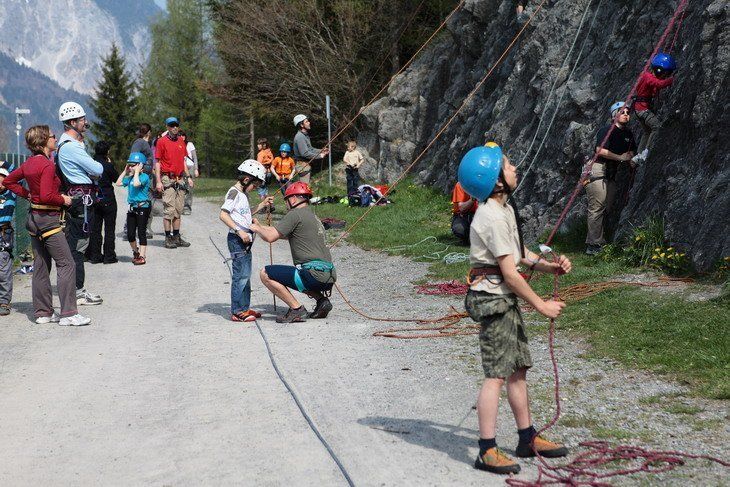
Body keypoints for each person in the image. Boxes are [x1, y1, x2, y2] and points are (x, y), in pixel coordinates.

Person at [458, 142, 571, 475]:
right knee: (496, 375)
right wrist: (541, 305)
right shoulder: (491, 216)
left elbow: (519, 254)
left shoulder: (504, 209)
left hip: (503, 298)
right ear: (495, 181)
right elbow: (509, 273)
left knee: (517, 369)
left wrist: (551, 267)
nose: (514, 168)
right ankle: (486, 450)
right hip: (493, 300)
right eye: (507, 166)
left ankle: (526, 438)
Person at [4, 125, 90, 326]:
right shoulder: (47, 165)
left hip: (33, 219)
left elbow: (8, 181)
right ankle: (69, 314)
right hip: (48, 220)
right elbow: (46, 195)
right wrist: (64, 199)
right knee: (67, 264)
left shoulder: (29, 163)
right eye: (52, 136)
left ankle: (43, 313)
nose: (55, 139)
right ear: (44, 140)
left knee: (41, 266)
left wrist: (28, 195)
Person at [250, 182, 336, 323]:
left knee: (265, 274)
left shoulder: (294, 214)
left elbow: (270, 237)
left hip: (313, 275)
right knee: (300, 275)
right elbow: (280, 232)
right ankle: (322, 301)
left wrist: (256, 228)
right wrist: (261, 227)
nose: (286, 204)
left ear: (294, 199)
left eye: (286, 200)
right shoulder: (312, 216)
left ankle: (297, 309)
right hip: (329, 276)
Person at [56, 101, 104, 306]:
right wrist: (92, 170)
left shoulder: (68, 145)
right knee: (78, 245)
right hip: (81, 200)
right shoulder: (71, 147)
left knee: (79, 244)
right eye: (82, 119)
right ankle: (77, 291)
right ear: (72, 122)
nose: (85, 122)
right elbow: (98, 169)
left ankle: (77, 289)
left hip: (80, 198)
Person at [219, 160, 274, 322]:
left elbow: (244, 213)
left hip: (245, 241)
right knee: (240, 276)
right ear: (246, 179)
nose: (255, 188)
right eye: (254, 185)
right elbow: (223, 214)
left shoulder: (243, 194)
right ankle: (237, 311)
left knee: (246, 275)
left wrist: (262, 205)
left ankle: (244, 307)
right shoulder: (234, 193)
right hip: (237, 239)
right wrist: (239, 230)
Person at [584, 101, 637, 255]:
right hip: (597, 169)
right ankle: (594, 245)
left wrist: (632, 157)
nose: (626, 114)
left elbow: (632, 150)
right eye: (622, 112)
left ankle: (596, 239)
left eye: (627, 112)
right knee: (597, 207)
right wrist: (620, 157)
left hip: (611, 173)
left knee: (607, 206)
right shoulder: (607, 130)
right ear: (614, 115)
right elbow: (599, 150)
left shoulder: (628, 134)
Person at [155, 117, 194, 249]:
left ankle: (176, 237)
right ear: (167, 127)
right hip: (167, 178)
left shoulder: (181, 141)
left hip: (180, 178)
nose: (174, 128)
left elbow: (183, 161)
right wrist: (158, 181)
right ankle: (168, 238)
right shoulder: (161, 142)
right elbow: (157, 162)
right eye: (172, 126)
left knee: (178, 209)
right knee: (169, 210)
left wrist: (188, 177)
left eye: (176, 125)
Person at [633, 52, 676, 159]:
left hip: (639, 108)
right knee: (656, 126)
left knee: (647, 131)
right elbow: (659, 84)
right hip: (642, 109)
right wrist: (672, 79)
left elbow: (654, 85)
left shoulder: (646, 76)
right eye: (665, 73)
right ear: (658, 70)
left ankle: (638, 155)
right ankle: (646, 152)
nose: (665, 76)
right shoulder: (648, 77)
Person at [86, 141, 119, 264]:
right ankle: (109, 256)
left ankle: (95, 255)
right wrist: (110, 164)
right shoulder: (107, 165)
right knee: (109, 229)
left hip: (94, 198)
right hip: (108, 199)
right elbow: (116, 179)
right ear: (107, 152)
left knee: (95, 229)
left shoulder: (90, 164)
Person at [117, 152, 152, 265]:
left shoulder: (144, 177)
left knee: (141, 232)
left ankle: (142, 256)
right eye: (130, 165)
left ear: (140, 165)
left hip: (143, 207)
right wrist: (125, 171)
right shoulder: (130, 178)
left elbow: (137, 184)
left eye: (133, 165)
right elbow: (118, 183)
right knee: (130, 234)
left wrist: (137, 171)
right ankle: (136, 252)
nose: (131, 167)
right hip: (132, 208)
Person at [130, 123, 155, 239]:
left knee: (146, 202)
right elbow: (133, 158)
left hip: (147, 176)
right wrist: (138, 171)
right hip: (141, 176)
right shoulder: (139, 142)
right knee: (140, 201)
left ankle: (143, 227)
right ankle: (131, 227)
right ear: (149, 132)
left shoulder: (145, 143)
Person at [292, 114, 329, 184]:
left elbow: (310, 149)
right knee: (304, 188)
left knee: (305, 188)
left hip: (305, 166)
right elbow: (305, 153)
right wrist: (320, 156)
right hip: (302, 166)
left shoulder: (305, 135)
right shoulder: (300, 137)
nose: (309, 123)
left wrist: (321, 151)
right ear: (301, 125)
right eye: (306, 121)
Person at [0, 161, 16, 316]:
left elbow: (19, 176)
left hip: (4, 234)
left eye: (2, 179)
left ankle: (4, 302)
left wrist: (4, 163)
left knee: (3, 270)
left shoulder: (10, 193)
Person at [179, 130, 199, 215]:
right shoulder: (176, 144)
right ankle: (180, 206)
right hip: (181, 168)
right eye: (180, 135)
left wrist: (196, 169)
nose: (182, 137)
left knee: (190, 187)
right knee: (181, 187)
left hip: (190, 167)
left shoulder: (190, 144)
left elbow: (195, 157)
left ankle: (187, 207)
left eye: (183, 135)